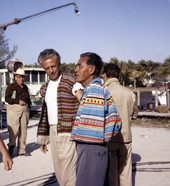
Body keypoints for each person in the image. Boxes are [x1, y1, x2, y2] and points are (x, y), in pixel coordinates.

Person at [70, 52, 122, 186]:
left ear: (91, 69)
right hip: (94, 149)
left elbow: (90, 127)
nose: (76, 70)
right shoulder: (96, 89)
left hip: (90, 148)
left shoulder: (94, 90)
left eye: (79, 66)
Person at [37, 48, 83, 186]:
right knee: (59, 170)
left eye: (53, 66)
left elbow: (85, 102)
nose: (51, 70)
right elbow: (45, 114)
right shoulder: (44, 88)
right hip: (53, 131)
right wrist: (43, 138)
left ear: (59, 64)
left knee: (68, 172)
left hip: (68, 132)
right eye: (47, 68)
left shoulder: (71, 81)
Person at [102, 63, 136, 186]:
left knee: (112, 173)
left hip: (110, 138)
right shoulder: (129, 93)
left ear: (105, 75)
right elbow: (134, 114)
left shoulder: (104, 92)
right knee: (125, 172)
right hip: (126, 137)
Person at [5, 67, 31, 157]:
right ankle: (11, 149)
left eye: (23, 77)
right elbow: (7, 99)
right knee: (14, 130)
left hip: (25, 109)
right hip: (14, 109)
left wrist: (29, 109)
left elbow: (28, 99)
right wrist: (17, 101)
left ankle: (21, 151)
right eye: (19, 77)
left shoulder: (25, 87)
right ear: (15, 77)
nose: (21, 79)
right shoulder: (11, 87)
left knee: (23, 130)